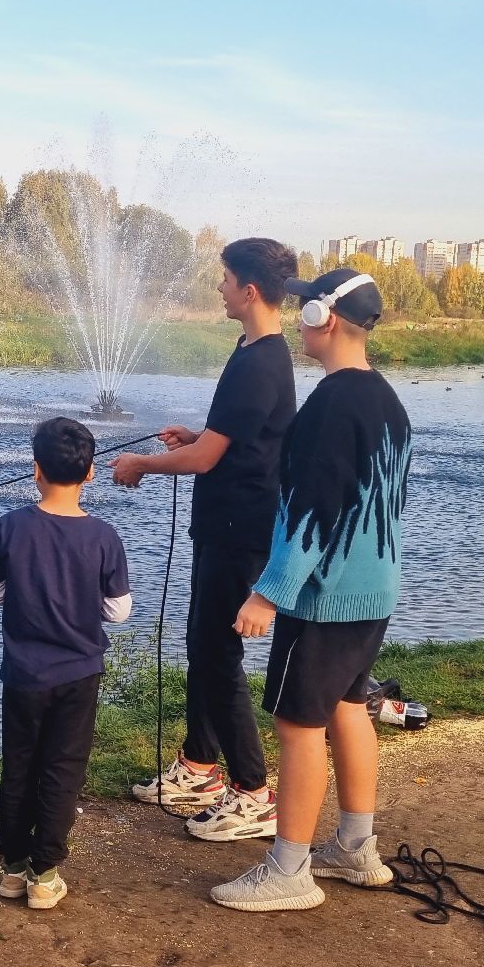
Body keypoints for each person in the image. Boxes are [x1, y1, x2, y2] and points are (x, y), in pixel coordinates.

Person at [209, 266, 412, 913]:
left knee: (297, 723)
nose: (298, 322)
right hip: (373, 591)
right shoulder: (386, 398)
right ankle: (356, 847)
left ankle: (288, 871)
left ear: (322, 319)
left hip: (325, 598)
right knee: (348, 708)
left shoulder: (331, 403)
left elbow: (314, 512)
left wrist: (270, 592)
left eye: (303, 311)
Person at [110, 238, 298, 842]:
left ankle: (252, 791)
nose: (217, 289)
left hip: (240, 528)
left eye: (223, 280)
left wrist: (142, 464)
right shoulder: (251, 350)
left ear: (248, 289)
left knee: (217, 654)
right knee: (202, 645)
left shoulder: (262, 360)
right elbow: (235, 439)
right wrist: (195, 434)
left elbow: (208, 459)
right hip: (224, 522)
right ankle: (199, 766)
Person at [0, 417, 132, 910]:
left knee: (19, 766)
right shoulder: (104, 536)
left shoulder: (11, 526)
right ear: (90, 474)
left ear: (35, 470)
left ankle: (12, 869)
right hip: (79, 674)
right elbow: (118, 610)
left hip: (23, 676)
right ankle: (45, 874)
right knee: (63, 770)